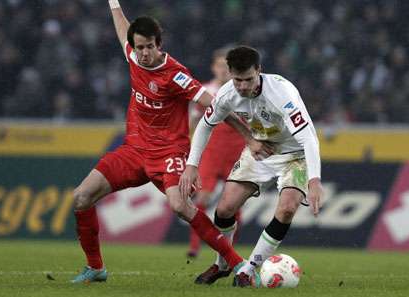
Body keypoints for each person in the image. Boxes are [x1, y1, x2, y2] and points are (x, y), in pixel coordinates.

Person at [71, 0, 266, 284]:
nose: (145, 53)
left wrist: (248, 136)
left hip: (168, 153)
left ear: (158, 44)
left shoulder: (175, 75)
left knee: (180, 206)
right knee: (81, 197)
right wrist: (113, 3)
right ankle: (96, 267)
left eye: (150, 46)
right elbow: (122, 29)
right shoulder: (134, 57)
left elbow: (215, 106)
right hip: (134, 151)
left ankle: (238, 265)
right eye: (140, 47)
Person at [179, 46, 324, 287]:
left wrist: (314, 180)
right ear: (230, 74)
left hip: (295, 154)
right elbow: (205, 125)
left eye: (248, 79)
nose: (243, 86)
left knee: (287, 208)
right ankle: (222, 264)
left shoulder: (282, 93)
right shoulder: (227, 94)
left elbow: (308, 138)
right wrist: (192, 165)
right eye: (238, 80)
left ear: (259, 71)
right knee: (225, 209)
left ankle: (249, 269)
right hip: (261, 150)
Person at [186, 48, 245, 261]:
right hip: (211, 151)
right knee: (202, 196)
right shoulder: (205, 90)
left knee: (234, 203)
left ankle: (230, 250)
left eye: (227, 67)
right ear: (213, 68)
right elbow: (193, 121)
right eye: (219, 66)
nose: (223, 71)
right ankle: (194, 247)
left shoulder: (242, 91)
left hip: (236, 152)